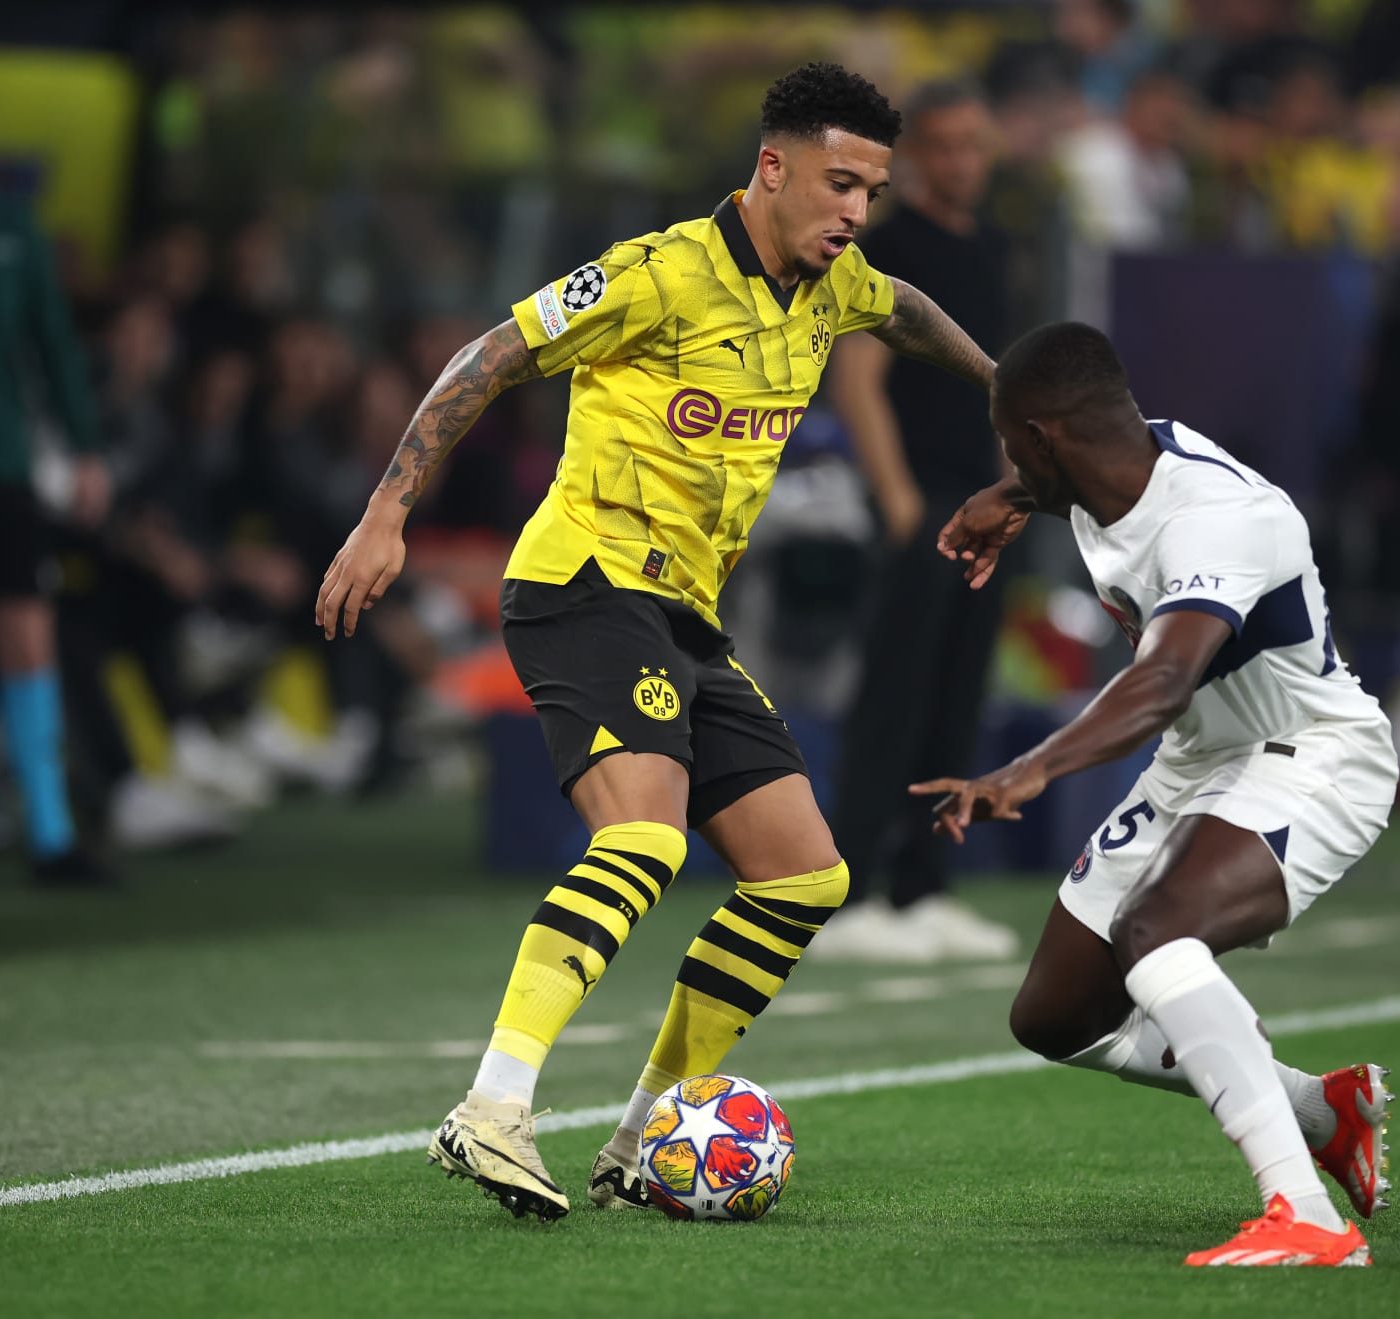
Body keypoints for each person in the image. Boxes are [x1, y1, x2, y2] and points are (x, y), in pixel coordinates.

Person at [316, 63, 997, 1222]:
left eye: (872, 193)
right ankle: (492, 1106)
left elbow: (910, 312)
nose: (855, 214)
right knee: (644, 841)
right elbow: (485, 359)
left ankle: (640, 1138)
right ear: (771, 168)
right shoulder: (657, 274)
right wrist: (387, 514)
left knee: (804, 873)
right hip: (583, 584)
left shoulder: (831, 287)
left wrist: (1008, 395)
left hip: (685, 613)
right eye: (840, 185)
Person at [915, 322, 1399, 1267]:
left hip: (1312, 752)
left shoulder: (1215, 518)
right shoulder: (1115, 458)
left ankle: (1306, 1215)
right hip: (1197, 762)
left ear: (1047, 437)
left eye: (1015, 447)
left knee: (1157, 933)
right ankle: (1321, 1108)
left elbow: (1163, 681)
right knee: (1054, 1016)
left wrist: (1033, 768)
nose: (1011, 462)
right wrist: (1011, 494)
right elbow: (1089, 483)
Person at [821, 82, 1019, 963]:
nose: (960, 163)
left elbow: (1004, 384)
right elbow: (857, 378)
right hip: (921, 501)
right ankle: (855, 889)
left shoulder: (994, 250)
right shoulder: (887, 246)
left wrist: (1016, 485)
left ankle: (925, 890)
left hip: (986, 501)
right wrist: (900, 504)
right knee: (893, 699)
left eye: (973, 145)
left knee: (957, 696)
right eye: (943, 147)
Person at [0, 74, 112, 883]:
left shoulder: (9, 229)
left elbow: (52, 346)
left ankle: (51, 834)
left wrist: (86, 449)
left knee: (25, 635)